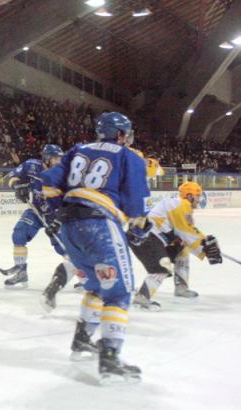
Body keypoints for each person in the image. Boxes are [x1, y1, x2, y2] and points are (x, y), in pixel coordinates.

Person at [41, 112, 150, 384]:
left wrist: (58, 210)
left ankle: (82, 341)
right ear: (121, 134)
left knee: (94, 285)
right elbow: (136, 206)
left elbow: (48, 183)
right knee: (119, 291)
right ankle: (110, 358)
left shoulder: (77, 149)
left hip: (69, 225)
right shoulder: (130, 156)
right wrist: (138, 228)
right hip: (99, 224)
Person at [130, 181, 222, 310]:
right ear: (189, 196)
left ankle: (181, 288)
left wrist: (203, 244)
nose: (199, 199)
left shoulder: (178, 204)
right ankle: (142, 298)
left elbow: (183, 234)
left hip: (149, 236)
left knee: (182, 250)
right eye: (197, 195)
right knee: (162, 266)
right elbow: (186, 231)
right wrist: (204, 247)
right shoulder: (182, 205)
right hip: (145, 238)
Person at [4, 144, 70, 290]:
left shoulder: (63, 174)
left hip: (55, 215)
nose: (58, 162)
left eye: (60, 159)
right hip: (37, 210)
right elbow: (13, 176)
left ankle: (84, 276)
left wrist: (61, 218)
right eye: (55, 159)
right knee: (19, 233)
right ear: (46, 159)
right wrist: (18, 187)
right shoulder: (31, 165)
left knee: (65, 248)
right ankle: (21, 271)